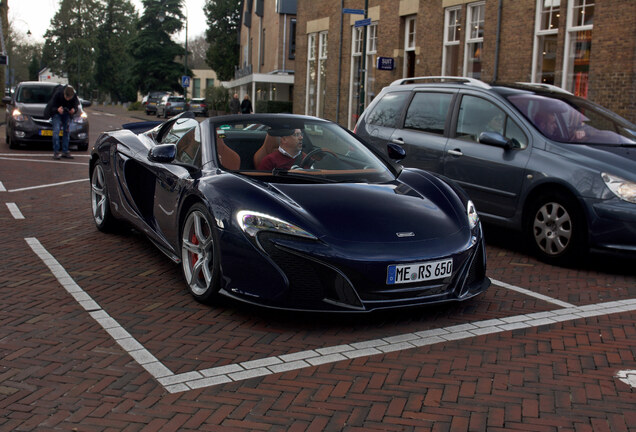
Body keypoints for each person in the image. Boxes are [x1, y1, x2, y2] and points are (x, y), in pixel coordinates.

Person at [45, 84, 80, 160]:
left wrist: (73, 110)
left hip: (67, 114)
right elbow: (51, 107)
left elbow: (76, 106)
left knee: (67, 131)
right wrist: (57, 109)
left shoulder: (74, 97)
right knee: (56, 131)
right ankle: (56, 151)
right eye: (66, 97)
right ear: (64, 93)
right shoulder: (58, 94)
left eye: (69, 98)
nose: (67, 99)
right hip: (57, 114)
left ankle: (65, 151)